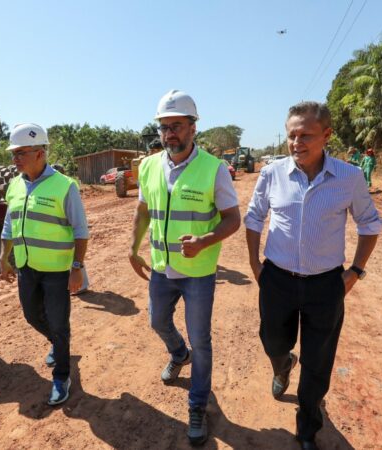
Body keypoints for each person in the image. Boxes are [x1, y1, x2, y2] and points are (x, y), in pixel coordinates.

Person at [244, 102, 382, 449]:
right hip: (277, 279)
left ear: (327, 135)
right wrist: (255, 265)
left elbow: (370, 224)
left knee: (318, 361)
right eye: (292, 135)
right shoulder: (272, 173)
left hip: (325, 285)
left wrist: (355, 271)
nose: (297, 142)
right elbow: (254, 217)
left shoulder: (349, 177)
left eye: (305, 135)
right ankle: (282, 365)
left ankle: (307, 427)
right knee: (272, 342)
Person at [128, 90, 241, 445]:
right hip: (162, 268)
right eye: (163, 127)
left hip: (198, 273)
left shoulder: (214, 169)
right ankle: (179, 354)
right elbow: (143, 211)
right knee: (157, 321)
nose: (169, 133)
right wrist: (133, 248)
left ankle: (197, 404)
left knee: (201, 341)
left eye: (176, 126)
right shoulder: (148, 166)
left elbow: (232, 219)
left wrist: (204, 241)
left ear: (193, 127)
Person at [0, 123, 89, 406]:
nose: (15, 159)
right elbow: (9, 224)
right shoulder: (14, 185)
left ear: (40, 153)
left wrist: (77, 268)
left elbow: (80, 231)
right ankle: (60, 346)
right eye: (13, 154)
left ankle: (62, 376)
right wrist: (4, 256)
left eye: (20, 153)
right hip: (26, 267)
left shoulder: (65, 186)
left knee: (59, 324)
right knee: (31, 316)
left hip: (57, 271)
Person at [51, 163, 89, 295]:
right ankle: (79, 284)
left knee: (75, 256)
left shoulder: (67, 184)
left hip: (70, 225)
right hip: (65, 225)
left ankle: (81, 285)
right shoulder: (58, 185)